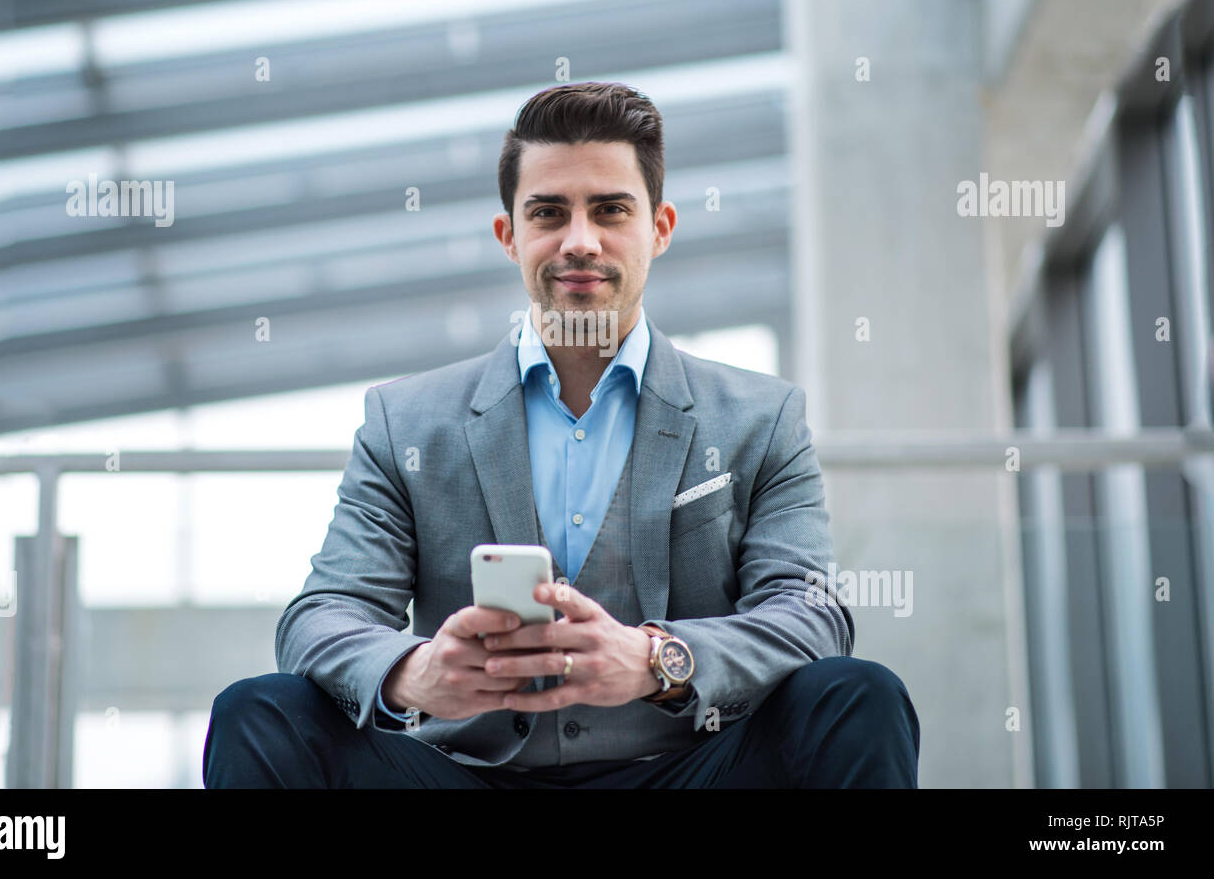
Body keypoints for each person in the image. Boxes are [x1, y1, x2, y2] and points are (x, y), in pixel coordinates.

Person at [204, 81, 920, 788]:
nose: (580, 241)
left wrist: (654, 659)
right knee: (260, 712)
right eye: (549, 212)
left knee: (856, 696)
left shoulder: (760, 417)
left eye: (610, 209)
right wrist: (414, 672)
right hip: (466, 777)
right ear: (508, 235)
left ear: (660, 227)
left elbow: (810, 614)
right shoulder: (406, 421)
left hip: (682, 770)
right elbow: (321, 615)